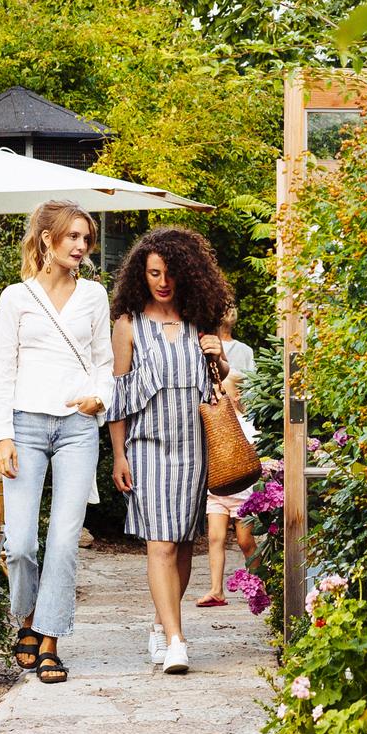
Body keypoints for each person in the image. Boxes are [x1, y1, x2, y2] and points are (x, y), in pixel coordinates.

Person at [0, 200, 112, 685]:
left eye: (86, 239)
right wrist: (3, 436)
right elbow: (3, 371)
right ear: (47, 239)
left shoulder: (94, 297)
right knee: (19, 543)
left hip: (78, 428)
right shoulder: (15, 297)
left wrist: (100, 398)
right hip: (25, 426)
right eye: (73, 237)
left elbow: (104, 363)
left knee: (63, 540)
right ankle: (25, 621)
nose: (81, 246)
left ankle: (50, 640)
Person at [107, 225, 233, 674]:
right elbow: (119, 396)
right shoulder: (128, 324)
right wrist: (119, 454)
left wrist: (219, 356)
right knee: (160, 544)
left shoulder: (202, 320)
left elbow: (222, 383)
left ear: (186, 274)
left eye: (170, 273)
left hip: (195, 447)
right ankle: (177, 640)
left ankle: (162, 625)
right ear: (142, 275)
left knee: (182, 545)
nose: (162, 282)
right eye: (154, 273)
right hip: (147, 446)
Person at [195, 307, 261, 608]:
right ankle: (216, 589)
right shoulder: (213, 420)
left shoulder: (244, 425)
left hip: (242, 487)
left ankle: (259, 584)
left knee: (246, 540)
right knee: (215, 538)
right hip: (218, 487)